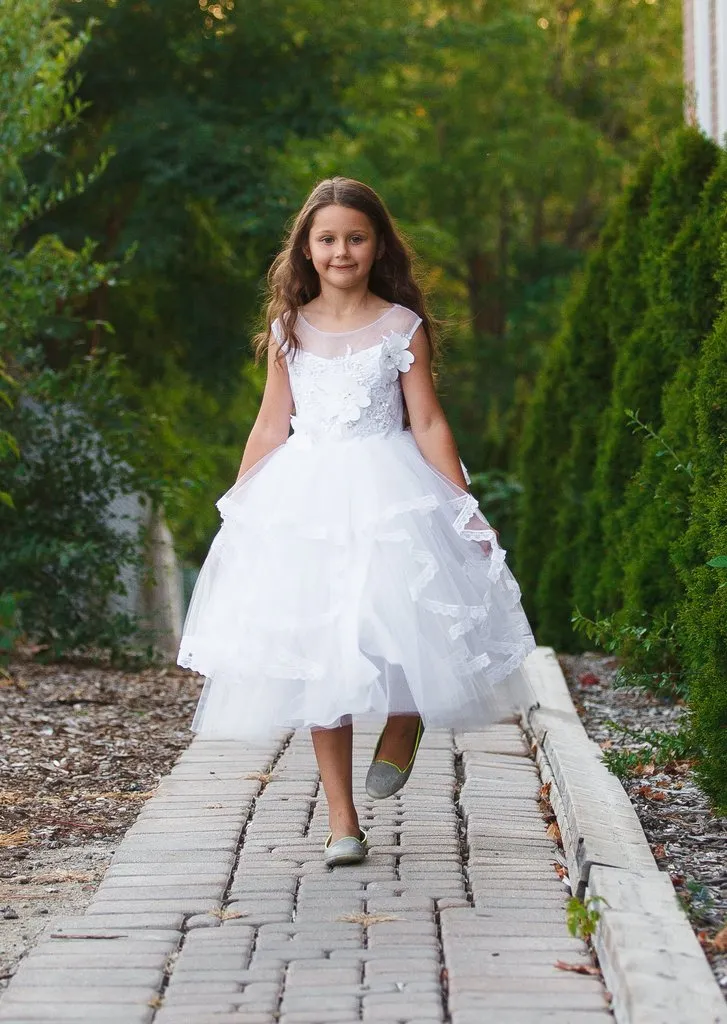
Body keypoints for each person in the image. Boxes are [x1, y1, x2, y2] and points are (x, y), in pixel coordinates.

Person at [177, 177, 536, 867]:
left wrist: (462, 505)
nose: (341, 250)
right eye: (327, 239)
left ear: (377, 246)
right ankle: (342, 821)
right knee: (321, 654)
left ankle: (405, 719)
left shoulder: (401, 327)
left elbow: (426, 420)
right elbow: (269, 423)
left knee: (404, 622)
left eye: (355, 238)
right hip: (305, 499)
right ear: (306, 250)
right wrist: (243, 505)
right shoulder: (288, 330)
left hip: (388, 488)